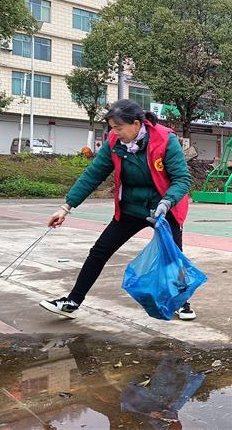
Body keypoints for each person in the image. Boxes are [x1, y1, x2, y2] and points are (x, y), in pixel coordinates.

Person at [40, 99, 196, 320]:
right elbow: (93, 174)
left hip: (164, 209)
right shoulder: (115, 142)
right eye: (112, 128)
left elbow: (182, 179)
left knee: (173, 257)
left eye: (119, 128)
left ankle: (182, 302)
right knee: (99, 252)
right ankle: (72, 301)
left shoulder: (164, 140)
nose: (115, 133)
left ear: (136, 124)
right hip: (131, 208)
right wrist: (66, 207)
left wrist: (167, 202)